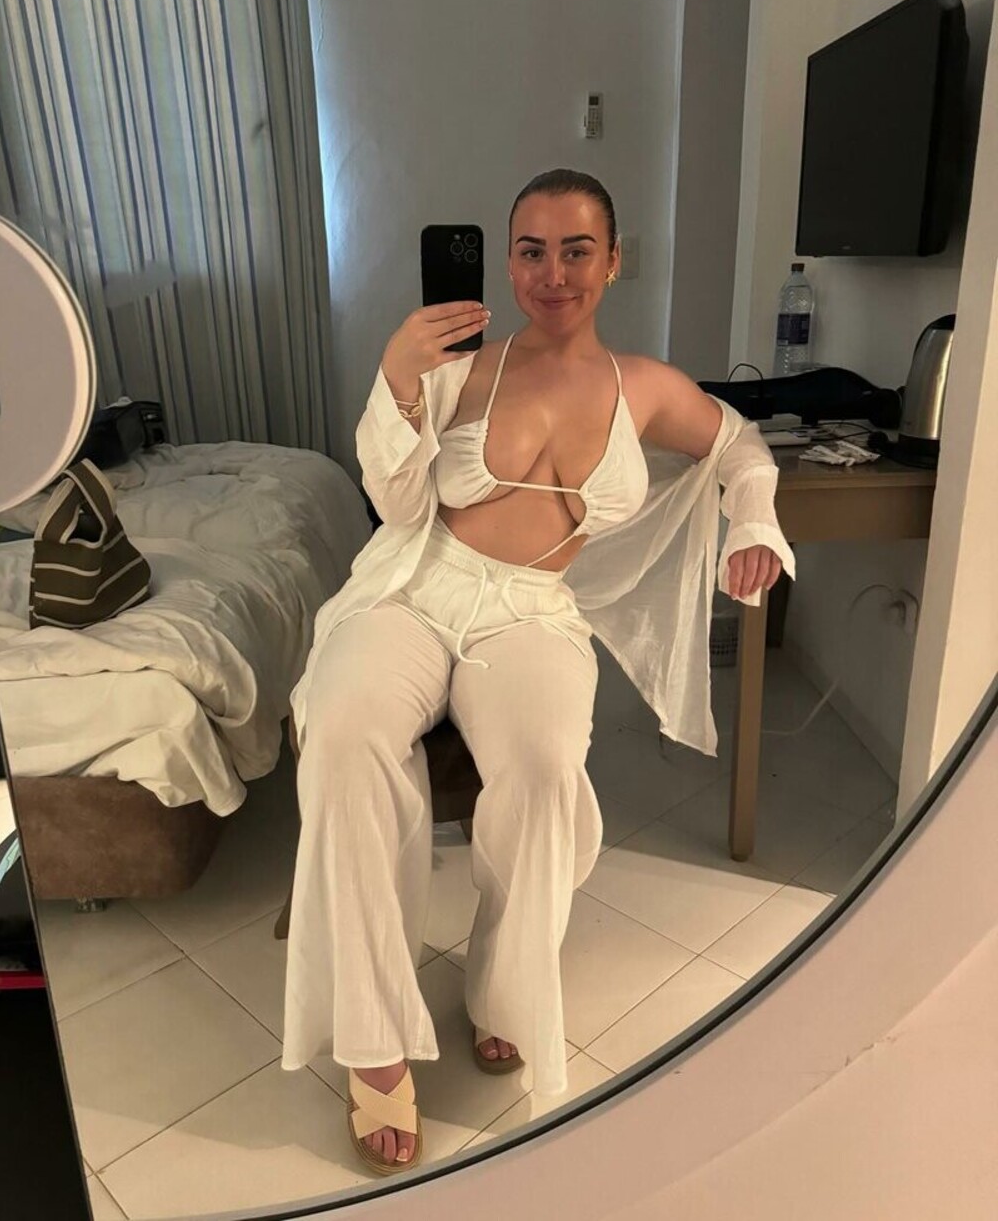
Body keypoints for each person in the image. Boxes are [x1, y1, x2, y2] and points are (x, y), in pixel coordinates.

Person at [280, 169, 795, 1174]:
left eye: (576, 250)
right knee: (342, 732)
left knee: (549, 767)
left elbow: (743, 447)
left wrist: (756, 522)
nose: (553, 272)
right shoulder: (458, 366)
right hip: (416, 586)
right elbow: (396, 498)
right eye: (531, 251)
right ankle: (373, 1039)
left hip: (530, 611)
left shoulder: (644, 386)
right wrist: (396, 377)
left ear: (613, 260)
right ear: (508, 263)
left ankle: (501, 986)